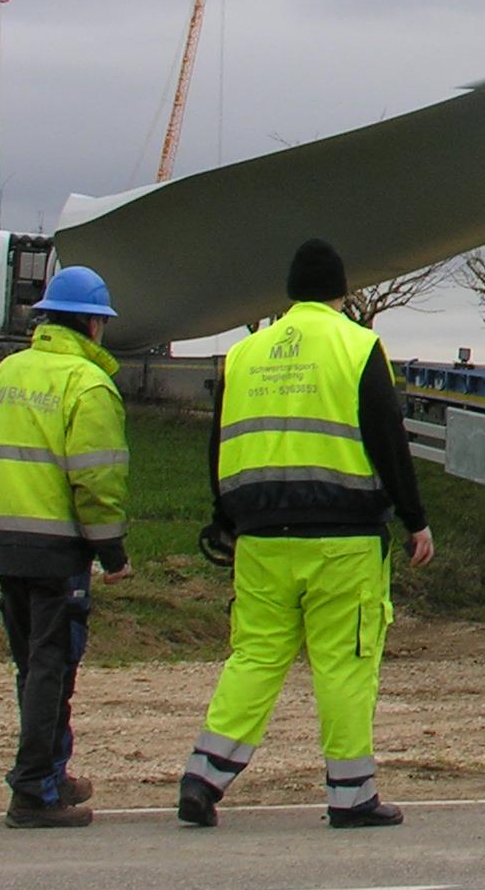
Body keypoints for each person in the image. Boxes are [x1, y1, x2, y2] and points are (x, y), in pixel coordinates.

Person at [178, 238, 434, 829]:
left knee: (256, 655)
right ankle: (351, 795)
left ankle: (204, 776)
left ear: (289, 293)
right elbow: (388, 441)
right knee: (344, 663)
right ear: (342, 292)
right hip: (342, 540)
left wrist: (226, 519)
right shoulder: (358, 346)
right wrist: (415, 517)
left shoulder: (244, 354)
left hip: (261, 537)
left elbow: (219, 445)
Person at [0, 262, 129, 829]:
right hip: (58, 550)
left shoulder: (5, 375)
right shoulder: (86, 385)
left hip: (6, 543)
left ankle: (50, 773)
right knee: (52, 667)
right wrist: (112, 552)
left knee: (31, 666)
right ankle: (34, 789)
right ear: (91, 325)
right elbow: (97, 480)